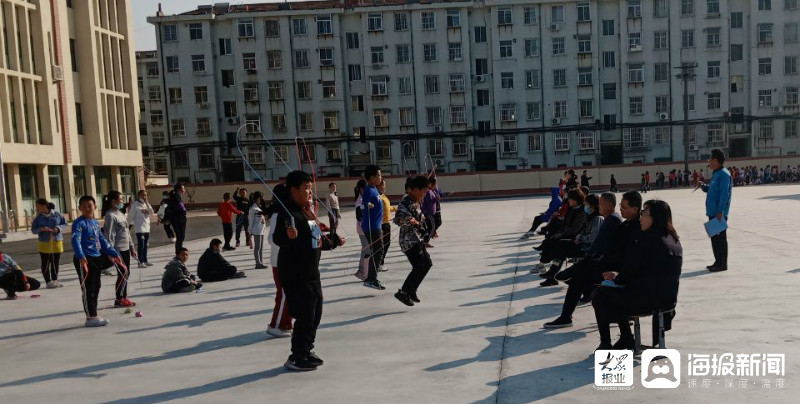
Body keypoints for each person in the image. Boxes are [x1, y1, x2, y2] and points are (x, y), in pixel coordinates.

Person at [272, 170, 344, 371]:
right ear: (293, 190)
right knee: (305, 314)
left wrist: (334, 241)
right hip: (295, 273)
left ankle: (306, 350)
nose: (309, 192)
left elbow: (317, 240)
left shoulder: (306, 211)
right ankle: (296, 356)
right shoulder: (287, 213)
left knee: (315, 313)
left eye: (310, 188)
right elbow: (278, 238)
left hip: (312, 273)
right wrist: (288, 236)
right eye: (305, 189)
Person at [591, 199, 682, 351]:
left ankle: (606, 343)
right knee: (615, 289)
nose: (641, 218)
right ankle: (626, 337)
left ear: (655, 217)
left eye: (644, 213)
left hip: (649, 299)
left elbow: (633, 270)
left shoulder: (649, 240)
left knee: (600, 294)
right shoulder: (672, 239)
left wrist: (617, 277)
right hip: (667, 298)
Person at [542, 192, 624, 328]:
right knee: (578, 279)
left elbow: (598, 244)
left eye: (601, 204)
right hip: (604, 261)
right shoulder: (608, 218)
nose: (599, 206)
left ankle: (566, 314)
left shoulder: (611, 220)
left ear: (609, 205)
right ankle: (567, 314)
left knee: (578, 276)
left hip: (608, 265)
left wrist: (587, 259)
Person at [72, 195, 124, 327]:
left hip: (96, 257)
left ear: (95, 207)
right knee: (88, 288)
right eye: (84, 206)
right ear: (80, 208)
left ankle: (94, 314)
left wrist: (113, 253)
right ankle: (90, 317)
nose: (87, 208)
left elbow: (102, 240)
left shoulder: (95, 223)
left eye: (90, 206)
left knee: (96, 287)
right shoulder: (79, 223)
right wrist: (81, 256)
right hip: (84, 258)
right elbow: (75, 240)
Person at [539, 194, 604, 286]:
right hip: (581, 243)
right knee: (559, 245)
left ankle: (553, 274)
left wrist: (580, 238)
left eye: (586, 204)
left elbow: (593, 237)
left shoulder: (598, 218)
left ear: (592, 205)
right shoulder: (590, 216)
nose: (585, 206)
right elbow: (583, 230)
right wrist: (579, 236)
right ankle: (552, 274)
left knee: (560, 246)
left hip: (587, 248)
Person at [393, 176, 432, 306]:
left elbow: (420, 218)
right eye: (423, 191)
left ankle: (411, 290)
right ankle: (404, 292)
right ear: (414, 190)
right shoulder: (405, 202)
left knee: (427, 263)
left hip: (417, 240)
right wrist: (409, 220)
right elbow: (398, 219)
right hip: (408, 241)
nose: (424, 194)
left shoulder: (416, 201)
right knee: (421, 264)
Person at [532, 189, 587, 274]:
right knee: (550, 241)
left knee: (554, 244)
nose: (568, 200)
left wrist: (561, 234)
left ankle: (547, 269)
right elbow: (565, 223)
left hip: (574, 236)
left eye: (570, 199)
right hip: (566, 234)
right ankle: (546, 267)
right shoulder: (571, 208)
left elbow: (575, 229)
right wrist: (559, 233)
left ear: (575, 200)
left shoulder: (582, 212)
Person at [266, 183, 294, 339]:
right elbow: (272, 239)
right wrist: (288, 243)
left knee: (289, 294)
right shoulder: (279, 215)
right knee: (284, 293)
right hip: (280, 261)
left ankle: (285, 323)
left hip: (290, 260)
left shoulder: (290, 212)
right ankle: (275, 325)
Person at [102, 191, 137, 308]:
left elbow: (127, 232)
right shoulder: (110, 215)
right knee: (123, 272)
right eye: (121, 199)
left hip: (126, 248)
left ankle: (123, 296)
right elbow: (109, 234)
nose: (123, 201)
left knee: (126, 273)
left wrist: (132, 247)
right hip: (117, 249)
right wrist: (110, 251)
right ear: (114, 201)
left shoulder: (121, 214)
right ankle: (119, 298)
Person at [700, 149, 732, 272]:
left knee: (721, 239)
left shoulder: (724, 174)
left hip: (719, 213)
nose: (709, 161)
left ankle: (722, 264)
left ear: (717, 161)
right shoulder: (716, 173)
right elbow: (712, 190)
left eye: (711, 159)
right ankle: (717, 262)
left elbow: (724, 194)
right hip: (712, 212)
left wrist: (721, 212)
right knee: (715, 239)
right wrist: (703, 186)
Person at [31, 198, 68, 288]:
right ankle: (48, 281)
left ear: (44, 206)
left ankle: (55, 280)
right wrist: (41, 229)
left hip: (57, 241)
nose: (37, 209)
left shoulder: (57, 214)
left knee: (55, 262)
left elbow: (64, 224)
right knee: (46, 263)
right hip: (44, 242)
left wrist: (58, 228)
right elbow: (33, 230)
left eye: (38, 207)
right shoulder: (38, 218)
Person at [361, 165, 385, 290]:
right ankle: (371, 279)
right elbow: (364, 204)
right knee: (378, 251)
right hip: (372, 227)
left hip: (376, 225)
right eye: (379, 175)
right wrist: (367, 205)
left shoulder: (375, 189)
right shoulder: (368, 190)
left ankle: (371, 278)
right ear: (371, 177)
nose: (381, 177)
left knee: (378, 251)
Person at [128, 190, 155, 268]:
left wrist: (147, 203)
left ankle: (145, 260)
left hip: (147, 228)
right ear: (139, 196)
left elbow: (152, 212)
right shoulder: (135, 205)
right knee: (141, 245)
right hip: (140, 229)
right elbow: (130, 216)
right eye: (143, 195)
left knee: (146, 245)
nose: (145, 197)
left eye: (146, 195)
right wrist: (128, 225)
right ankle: (140, 262)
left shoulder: (146, 205)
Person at [377, 180, 395, 272]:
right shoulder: (378, 196)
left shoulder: (383, 196)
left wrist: (397, 208)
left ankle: (380, 262)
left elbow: (388, 208)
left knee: (386, 244)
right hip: (382, 224)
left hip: (387, 223)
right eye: (383, 185)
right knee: (382, 245)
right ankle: (380, 263)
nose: (385, 186)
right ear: (379, 186)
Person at [353, 179, 369, 281]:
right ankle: (361, 272)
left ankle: (363, 271)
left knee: (367, 250)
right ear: (361, 189)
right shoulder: (359, 201)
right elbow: (359, 217)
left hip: (367, 229)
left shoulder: (365, 198)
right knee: (366, 250)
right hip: (363, 230)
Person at [166, 183, 188, 253]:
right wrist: (184, 211)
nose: (184, 190)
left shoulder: (175, 195)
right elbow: (180, 207)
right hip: (178, 219)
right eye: (183, 188)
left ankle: (179, 249)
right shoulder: (175, 196)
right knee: (180, 236)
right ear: (179, 189)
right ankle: (178, 251)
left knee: (181, 236)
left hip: (178, 218)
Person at [249, 191, 268, 270]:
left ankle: (261, 262)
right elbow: (250, 221)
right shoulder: (253, 209)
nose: (262, 199)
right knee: (257, 248)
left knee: (261, 247)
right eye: (261, 198)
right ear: (258, 198)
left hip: (261, 229)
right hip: (256, 230)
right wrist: (250, 232)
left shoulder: (259, 207)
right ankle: (258, 263)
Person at [421, 179, 438, 247]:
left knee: (430, 227)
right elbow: (427, 201)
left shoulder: (431, 191)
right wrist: (435, 199)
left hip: (431, 212)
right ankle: (425, 241)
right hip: (428, 212)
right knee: (432, 227)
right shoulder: (427, 192)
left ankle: (425, 240)